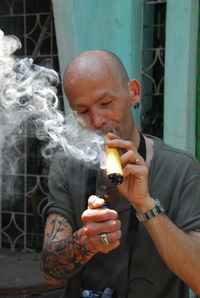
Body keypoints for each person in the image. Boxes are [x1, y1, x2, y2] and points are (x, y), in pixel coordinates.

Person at [40, 50, 200, 298]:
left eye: (106, 103)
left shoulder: (181, 168)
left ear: (133, 92)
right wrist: (85, 243)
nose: (97, 121)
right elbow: (50, 274)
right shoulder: (66, 164)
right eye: (82, 111)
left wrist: (145, 205)